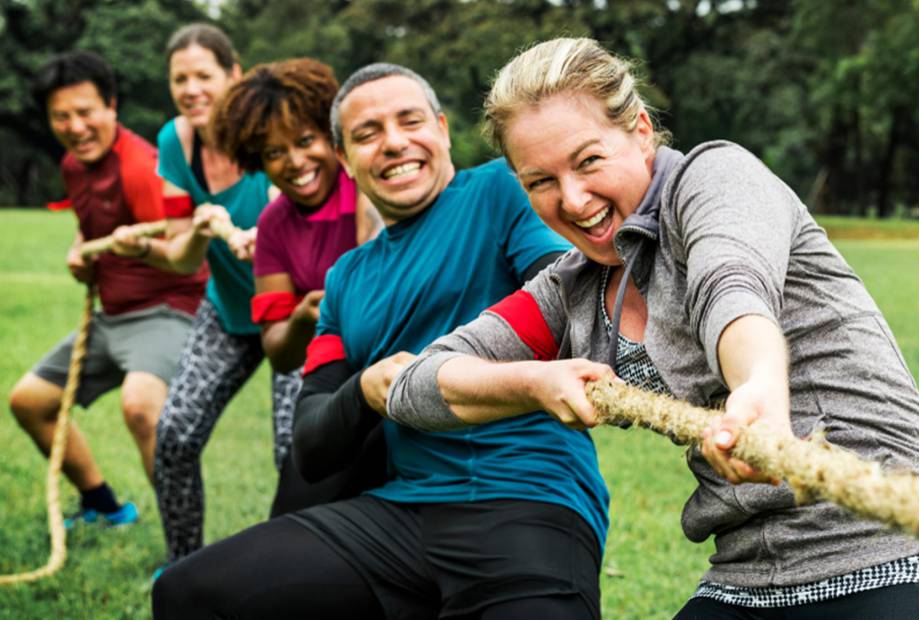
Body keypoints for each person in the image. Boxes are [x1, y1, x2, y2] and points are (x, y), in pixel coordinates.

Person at [386, 38, 919, 619]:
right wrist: (534, 381)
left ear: (639, 132)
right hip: (748, 579)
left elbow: (732, 288)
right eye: (542, 182)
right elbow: (417, 385)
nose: (574, 200)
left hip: (902, 550)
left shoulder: (713, 180)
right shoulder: (570, 288)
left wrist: (758, 391)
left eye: (588, 161)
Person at [152, 62, 608, 620]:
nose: (393, 143)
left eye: (409, 121)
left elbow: (567, 306)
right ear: (346, 160)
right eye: (367, 134)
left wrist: (439, 373)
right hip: (400, 516)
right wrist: (368, 387)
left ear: (441, 129)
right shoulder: (346, 279)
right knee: (186, 592)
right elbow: (313, 445)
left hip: (529, 502)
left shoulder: (499, 191)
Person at [9, 51, 207, 528]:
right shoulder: (75, 166)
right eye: (62, 116)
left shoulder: (143, 167)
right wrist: (82, 250)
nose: (76, 126)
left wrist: (136, 250)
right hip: (111, 315)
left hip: (167, 309)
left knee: (140, 405)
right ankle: (105, 507)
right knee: (29, 402)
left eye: (86, 112)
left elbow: (185, 252)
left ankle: (185, 549)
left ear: (111, 107)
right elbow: (92, 225)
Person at [123, 23, 292, 567]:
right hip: (227, 312)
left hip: (297, 314)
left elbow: (300, 209)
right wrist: (192, 232)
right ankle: (183, 566)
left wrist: (264, 232)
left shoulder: (270, 133)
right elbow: (180, 258)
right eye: (180, 79)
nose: (190, 89)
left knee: (295, 454)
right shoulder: (176, 142)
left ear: (233, 75)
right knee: (172, 435)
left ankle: (296, 570)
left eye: (203, 75)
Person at [210, 57, 383, 512]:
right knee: (298, 498)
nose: (295, 162)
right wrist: (306, 318)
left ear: (332, 136)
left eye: (306, 141)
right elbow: (278, 350)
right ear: (256, 160)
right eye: (274, 152)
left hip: (398, 369)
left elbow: (383, 252)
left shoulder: (366, 182)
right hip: (332, 372)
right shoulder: (273, 226)